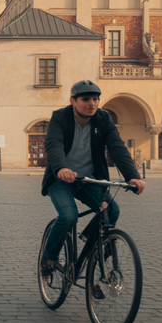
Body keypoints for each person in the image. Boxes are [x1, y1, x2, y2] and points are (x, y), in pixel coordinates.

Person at [40, 80, 145, 278]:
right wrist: (61, 168)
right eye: (86, 99)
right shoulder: (60, 117)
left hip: (89, 180)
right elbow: (53, 144)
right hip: (61, 180)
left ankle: (93, 245)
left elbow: (117, 147)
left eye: (96, 99)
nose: (92, 103)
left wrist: (133, 177)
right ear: (73, 101)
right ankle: (49, 258)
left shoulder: (103, 119)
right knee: (69, 216)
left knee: (112, 210)